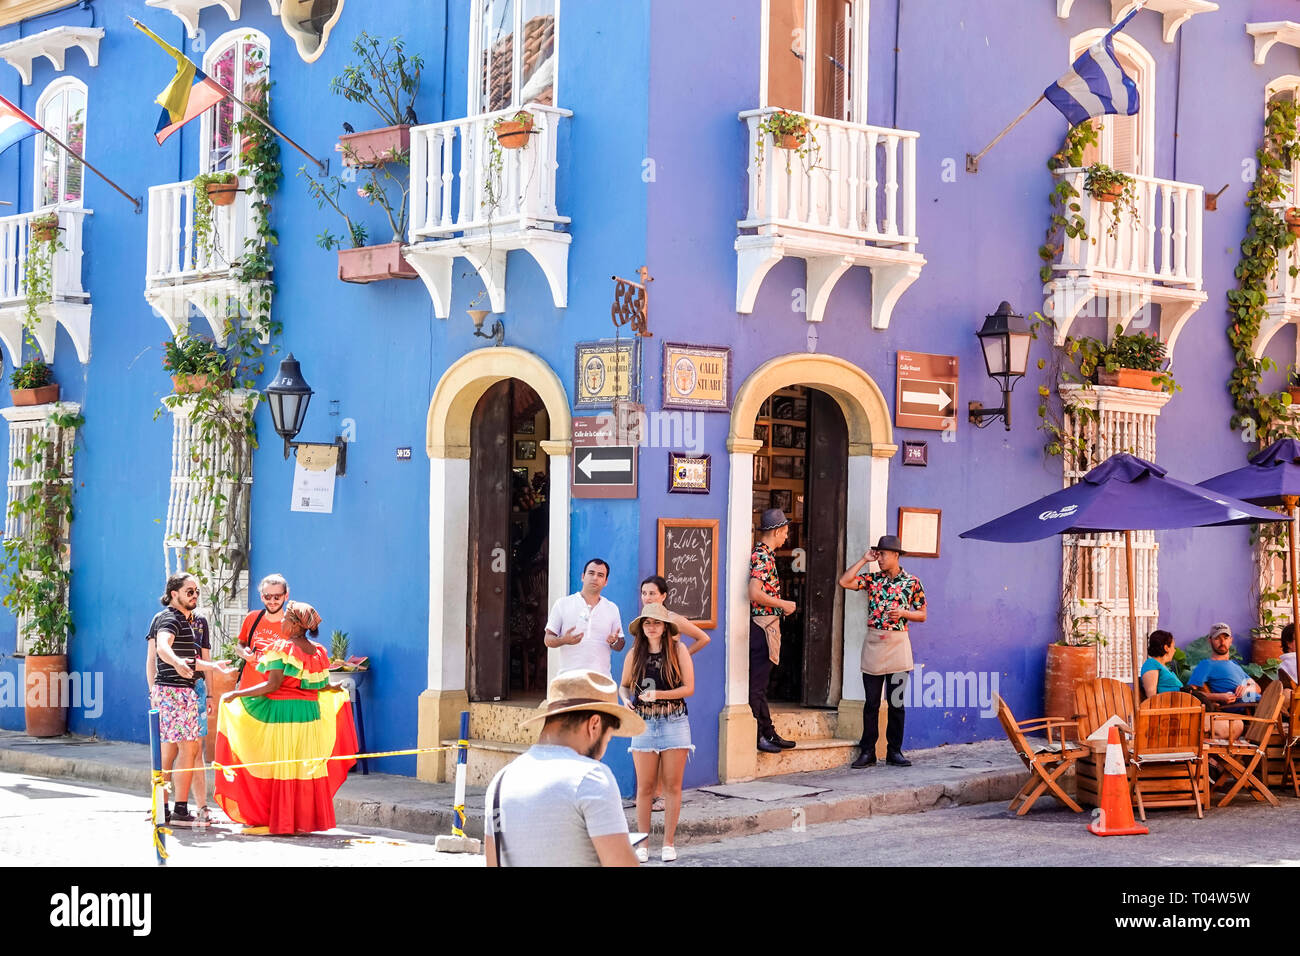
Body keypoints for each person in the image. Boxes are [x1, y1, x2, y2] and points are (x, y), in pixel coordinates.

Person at [215, 601, 357, 835]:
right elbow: (319, 684)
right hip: (309, 716)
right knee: (302, 767)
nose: (281, 622)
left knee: (281, 766)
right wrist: (334, 687)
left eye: (285, 619)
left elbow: (273, 685)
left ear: (294, 625)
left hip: (284, 714)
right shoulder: (318, 651)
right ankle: (302, 820)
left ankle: (282, 819)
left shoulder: (282, 647)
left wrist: (237, 693)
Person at [484, 669, 643, 867]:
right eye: (608, 738)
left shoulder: (500, 782)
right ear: (594, 725)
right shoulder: (591, 777)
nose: (603, 752)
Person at [147, 573, 234, 828]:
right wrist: (175, 662)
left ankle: (166, 809)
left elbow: (191, 660)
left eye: (196, 591)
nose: (194, 595)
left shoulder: (186, 621)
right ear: (174, 594)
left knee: (188, 749)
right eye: (189, 591)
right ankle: (179, 810)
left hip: (181, 690)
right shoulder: (170, 618)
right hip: (174, 691)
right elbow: (162, 647)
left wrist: (213, 667)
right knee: (186, 749)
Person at [838, 534, 927, 768]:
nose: (879, 559)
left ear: (896, 555)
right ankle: (868, 751)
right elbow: (845, 582)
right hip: (875, 644)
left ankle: (894, 751)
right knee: (871, 704)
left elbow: (923, 614)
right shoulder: (873, 579)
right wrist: (863, 559)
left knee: (897, 704)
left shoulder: (912, 582)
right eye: (877, 554)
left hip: (899, 646)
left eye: (883, 555)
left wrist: (904, 613)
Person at [619, 604, 694, 863]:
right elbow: (624, 685)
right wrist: (625, 700)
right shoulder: (634, 654)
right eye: (647, 622)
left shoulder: (678, 650)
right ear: (642, 627)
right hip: (644, 723)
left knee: (673, 786)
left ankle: (669, 843)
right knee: (645, 788)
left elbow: (689, 688)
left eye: (657, 622)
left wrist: (658, 694)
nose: (652, 626)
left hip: (674, 720)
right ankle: (642, 844)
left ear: (665, 627)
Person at [750, 509, 797, 754]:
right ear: (777, 531)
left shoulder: (764, 555)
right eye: (785, 532)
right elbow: (754, 592)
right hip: (763, 626)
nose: (786, 537)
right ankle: (758, 736)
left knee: (761, 683)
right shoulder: (763, 557)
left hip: (765, 625)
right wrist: (783, 604)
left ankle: (768, 731)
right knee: (757, 685)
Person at [543, 558, 626, 677]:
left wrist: (614, 641)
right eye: (591, 573)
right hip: (568, 679)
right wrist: (564, 640)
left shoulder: (612, 608)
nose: (595, 578)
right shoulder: (563, 604)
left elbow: (620, 644)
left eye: (600, 575)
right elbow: (548, 639)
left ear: (605, 581)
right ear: (583, 576)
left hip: (601, 680)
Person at [232, 573, 289, 690]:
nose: (272, 601)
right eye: (268, 596)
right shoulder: (252, 618)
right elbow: (239, 645)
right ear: (262, 597)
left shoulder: (292, 626)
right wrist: (244, 653)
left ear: (286, 596)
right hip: (247, 691)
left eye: (277, 597)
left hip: (275, 694)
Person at [1185, 623, 1261, 706]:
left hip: (1255, 701)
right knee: (1273, 702)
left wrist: (1247, 688)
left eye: (1226, 638)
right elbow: (1190, 692)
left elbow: (1257, 688)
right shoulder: (1206, 664)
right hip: (1240, 704)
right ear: (1210, 641)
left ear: (1231, 640)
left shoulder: (1234, 664)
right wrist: (1219, 697)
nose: (1222, 642)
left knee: (1274, 699)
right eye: (1217, 638)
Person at [639, 575, 711, 656]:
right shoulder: (641, 619)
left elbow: (704, 638)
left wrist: (680, 657)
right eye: (644, 593)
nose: (647, 598)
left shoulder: (672, 618)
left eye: (652, 593)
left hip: (668, 667)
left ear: (663, 596)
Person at [1140, 629, 1183, 698]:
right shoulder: (1151, 664)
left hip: (1179, 704)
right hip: (1167, 706)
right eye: (1173, 647)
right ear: (1166, 648)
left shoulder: (1163, 666)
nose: (1174, 650)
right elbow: (1151, 695)